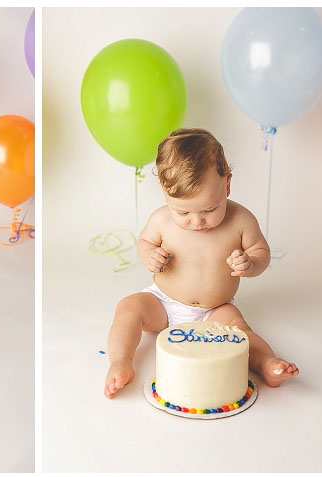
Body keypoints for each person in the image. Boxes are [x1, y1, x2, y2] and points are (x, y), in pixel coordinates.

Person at [104, 128, 298, 398]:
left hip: (215, 310)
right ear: (163, 191)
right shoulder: (160, 219)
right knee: (128, 307)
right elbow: (145, 243)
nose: (197, 222)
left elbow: (261, 252)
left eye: (210, 209)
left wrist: (251, 263)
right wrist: (150, 255)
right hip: (163, 302)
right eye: (182, 212)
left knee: (240, 332)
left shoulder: (241, 221)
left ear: (226, 184)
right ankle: (120, 361)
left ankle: (266, 363)